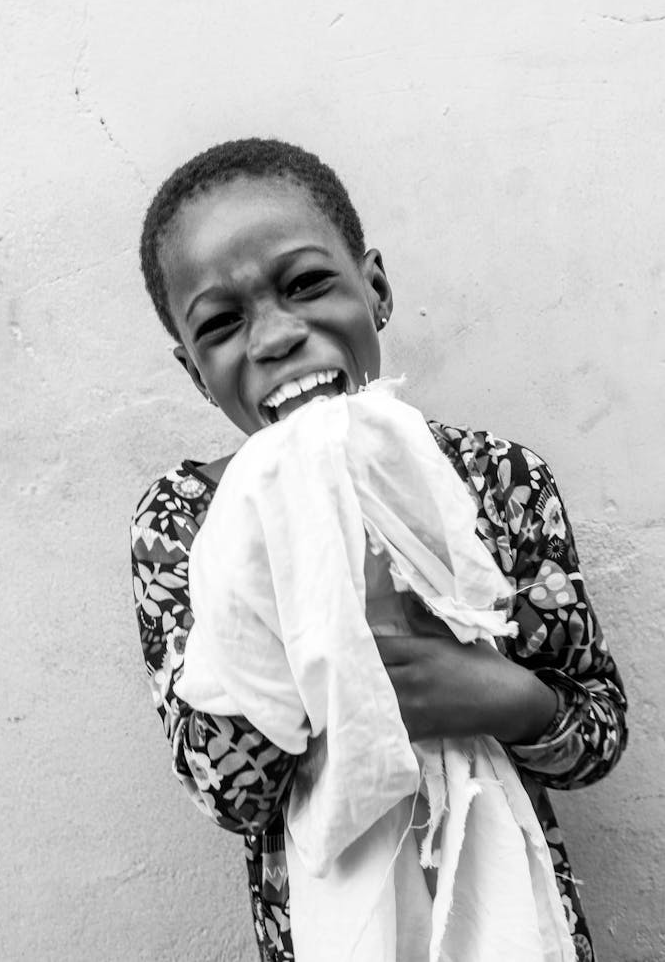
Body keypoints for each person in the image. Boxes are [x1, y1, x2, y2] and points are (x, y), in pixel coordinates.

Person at [130, 137, 627, 962]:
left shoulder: (499, 480)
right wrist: (298, 581)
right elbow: (226, 790)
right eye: (222, 324)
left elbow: (598, 727)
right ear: (195, 371)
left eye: (306, 283)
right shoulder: (186, 521)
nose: (277, 336)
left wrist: (502, 698)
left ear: (377, 289)